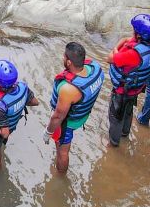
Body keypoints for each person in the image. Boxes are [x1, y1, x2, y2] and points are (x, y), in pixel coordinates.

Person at [44, 42, 105, 173]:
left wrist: (48, 132)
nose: (63, 58)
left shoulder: (68, 89)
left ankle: (60, 178)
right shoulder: (96, 68)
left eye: (64, 57)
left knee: (63, 152)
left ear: (69, 62)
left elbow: (58, 116)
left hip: (68, 123)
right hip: (83, 115)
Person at [107, 14, 150, 146]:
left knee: (116, 117)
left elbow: (109, 58)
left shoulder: (133, 54)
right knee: (128, 110)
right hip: (135, 88)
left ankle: (114, 143)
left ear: (138, 34)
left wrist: (116, 47)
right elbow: (128, 39)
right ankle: (125, 133)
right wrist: (127, 41)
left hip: (122, 90)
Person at [0, 60, 40, 170]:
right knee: (2, 144)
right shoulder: (23, 87)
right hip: (11, 125)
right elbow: (35, 102)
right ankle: (1, 148)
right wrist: (19, 103)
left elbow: (5, 134)